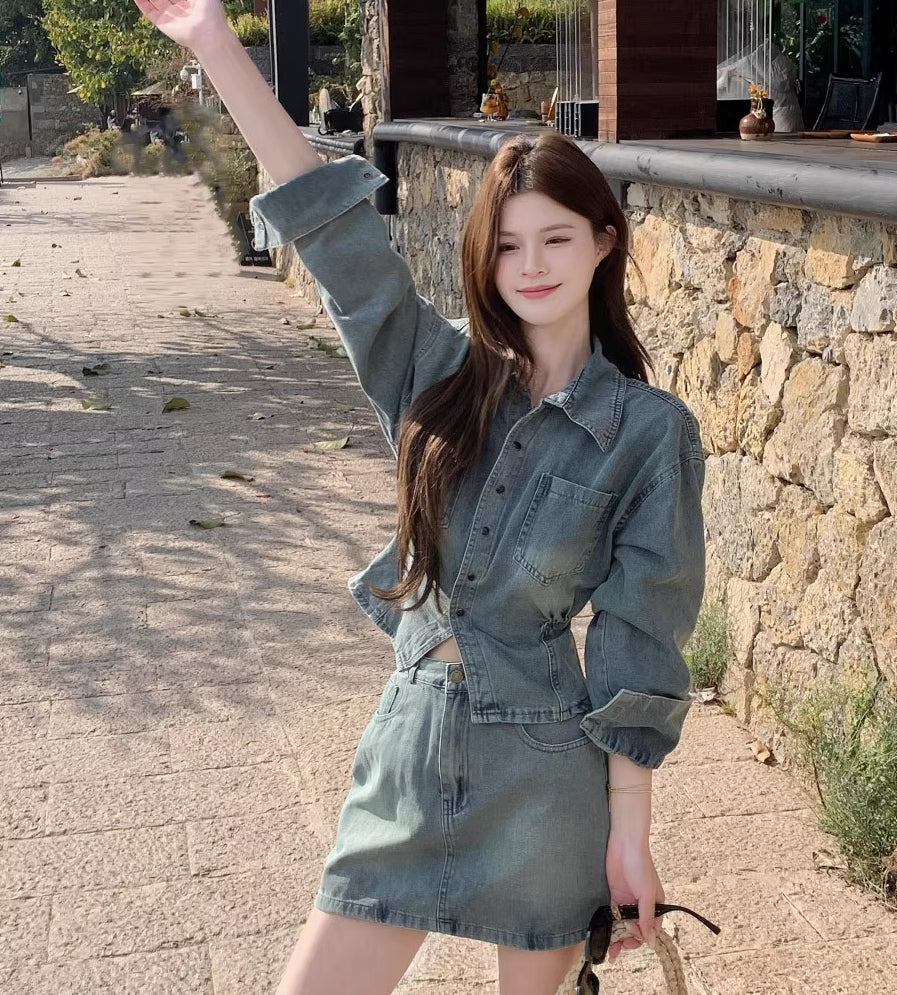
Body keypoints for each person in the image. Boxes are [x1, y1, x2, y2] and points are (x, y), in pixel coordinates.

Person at [132, 3, 706, 993]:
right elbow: (334, 234)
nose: (531, 266)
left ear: (604, 243)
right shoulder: (436, 374)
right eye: (507, 245)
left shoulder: (648, 432)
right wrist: (215, 43)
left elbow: (638, 634)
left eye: (555, 238)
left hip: (543, 773)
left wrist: (629, 836)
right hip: (408, 745)